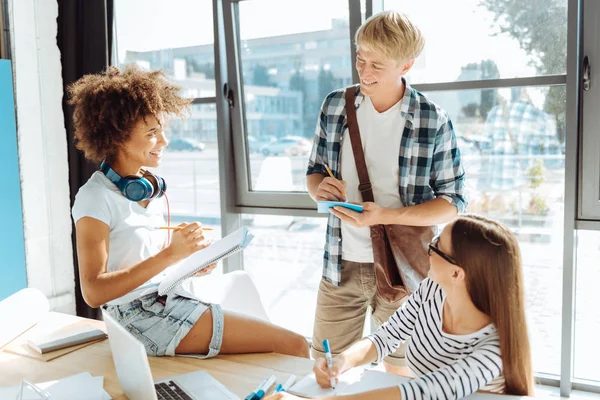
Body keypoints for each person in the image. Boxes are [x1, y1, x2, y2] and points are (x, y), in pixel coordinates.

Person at [70, 65, 309, 359]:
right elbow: (93, 292)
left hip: (165, 299)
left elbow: (145, 267)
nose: (164, 142)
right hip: (137, 316)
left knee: (283, 342)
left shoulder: (147, 189)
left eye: (163, 131)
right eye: (152, 133)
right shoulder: (95, 198)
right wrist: (170, 254)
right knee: (295, 345)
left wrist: (189, 261)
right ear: (117, 136)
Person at [306, 11, 466, 371]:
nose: (364, 71)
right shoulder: (335, 106)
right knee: (324, 368)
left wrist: (387, 216)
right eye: (360, 59)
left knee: (402, 373)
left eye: (377, 64)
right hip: (339, 267)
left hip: (406, 272)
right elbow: (314, 173)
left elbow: (453, 202)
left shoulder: (432, 119)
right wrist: (321, 190)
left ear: (406, 65)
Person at [266, 215, 534, 400]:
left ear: (456, 274)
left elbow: (424, 392)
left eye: (436, 247)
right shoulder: (432, 290)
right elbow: (386, 336)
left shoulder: (494, 349)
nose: (427, 250)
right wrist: (341, 362)